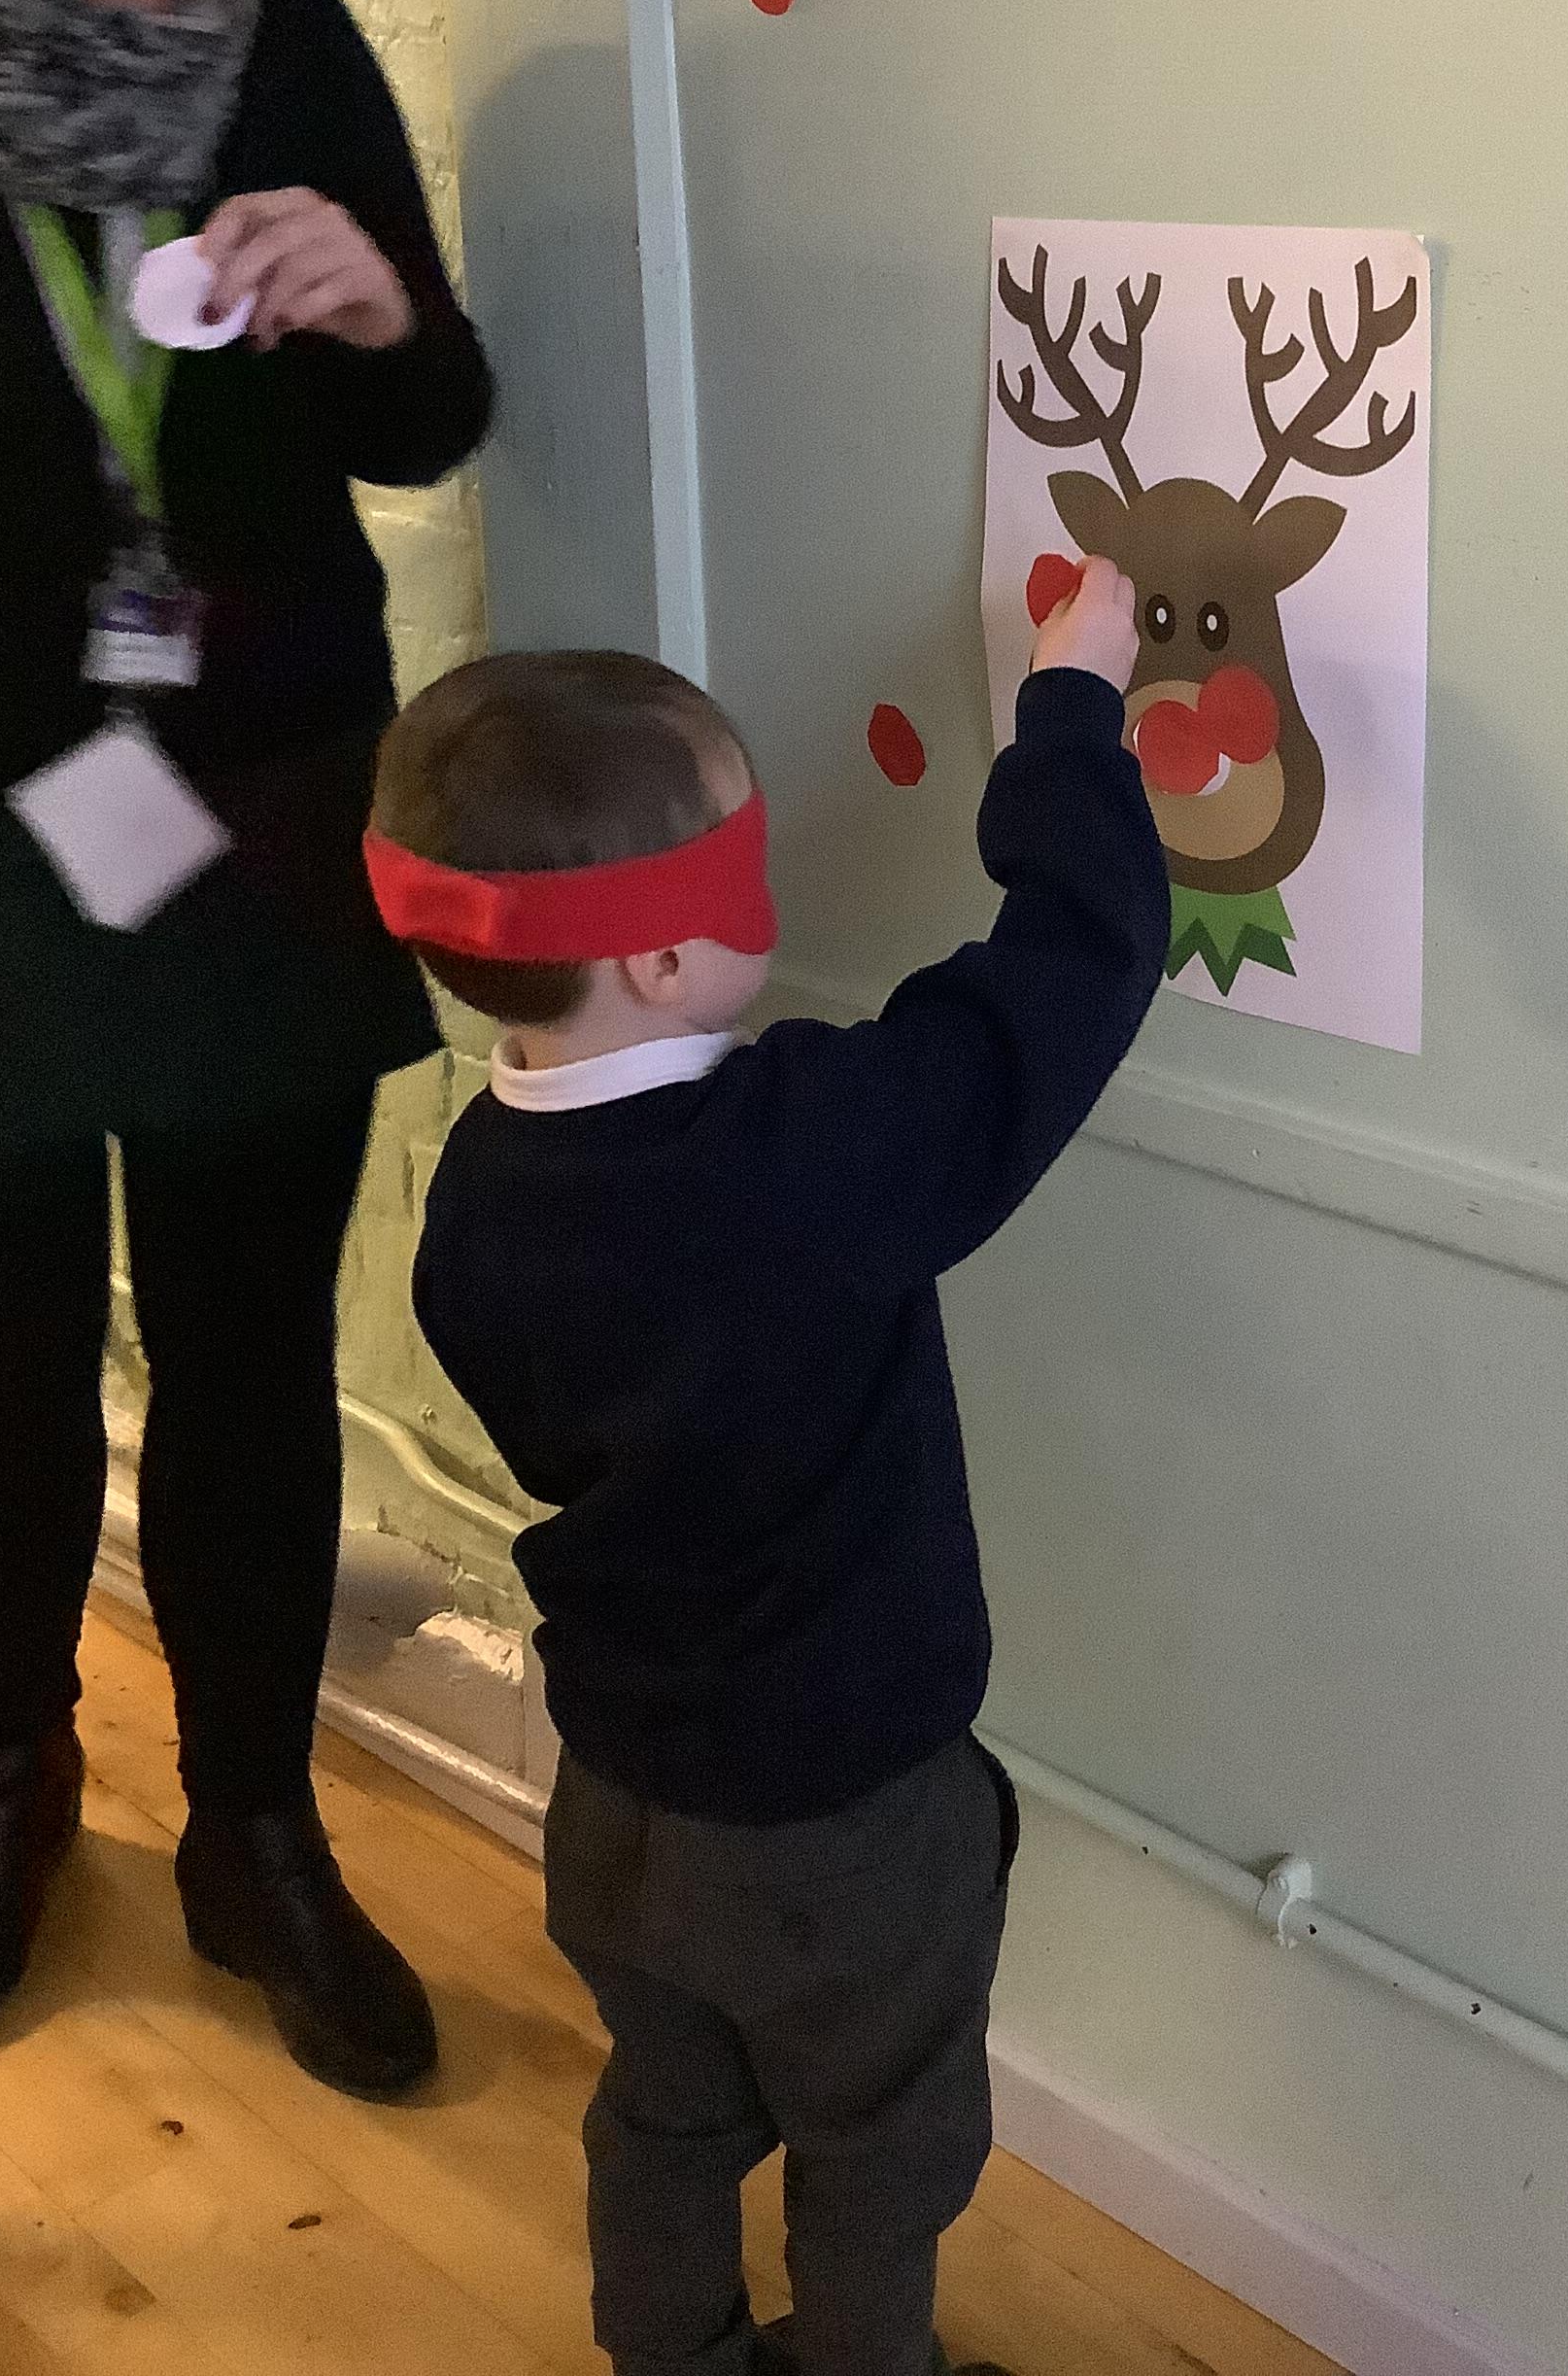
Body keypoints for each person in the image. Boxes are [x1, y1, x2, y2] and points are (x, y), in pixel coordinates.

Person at [0, 0, 494, 2099]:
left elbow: (428, 417)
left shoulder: (277, 27)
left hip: (255, 799)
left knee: (248, 1345)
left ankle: (256, 1825)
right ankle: (8, 1776)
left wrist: (376, 317)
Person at [362, 563, 1166, 2376]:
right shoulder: (811, 1153)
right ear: (662, 951)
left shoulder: (474, 1191)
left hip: (622, 1789)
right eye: (747, 860)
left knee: (666, 2109)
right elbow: (1074, 964)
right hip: (840, 1817)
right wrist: (1072, 698)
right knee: (881, 2156)